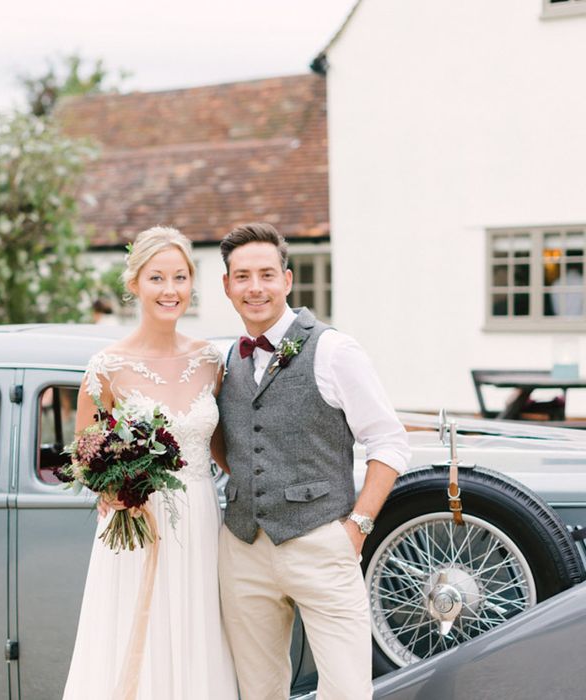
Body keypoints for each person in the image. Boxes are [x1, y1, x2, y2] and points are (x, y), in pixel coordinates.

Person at [215, 222, 411, 700]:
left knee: (346, 691)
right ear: (226, 286)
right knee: (258, 691)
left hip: (322, 541)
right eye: (242, 276)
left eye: (265, 274)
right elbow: (226, 444)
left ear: (287, 279)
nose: (254, 287)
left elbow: (389, 443)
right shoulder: (226, 359)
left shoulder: (335, 350)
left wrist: (356, 528)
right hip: (242, 547)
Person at [62, 226, 238, 700]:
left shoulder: (210, 361)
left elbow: (224, 447)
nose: (170, 290)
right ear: (134, 283)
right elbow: (85, 453)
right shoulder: (106, 367)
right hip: (134, 526)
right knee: (133, 637)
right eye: (157, 278)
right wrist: (112, 487)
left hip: (200, 519)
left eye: (180, 277)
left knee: (195, 632)